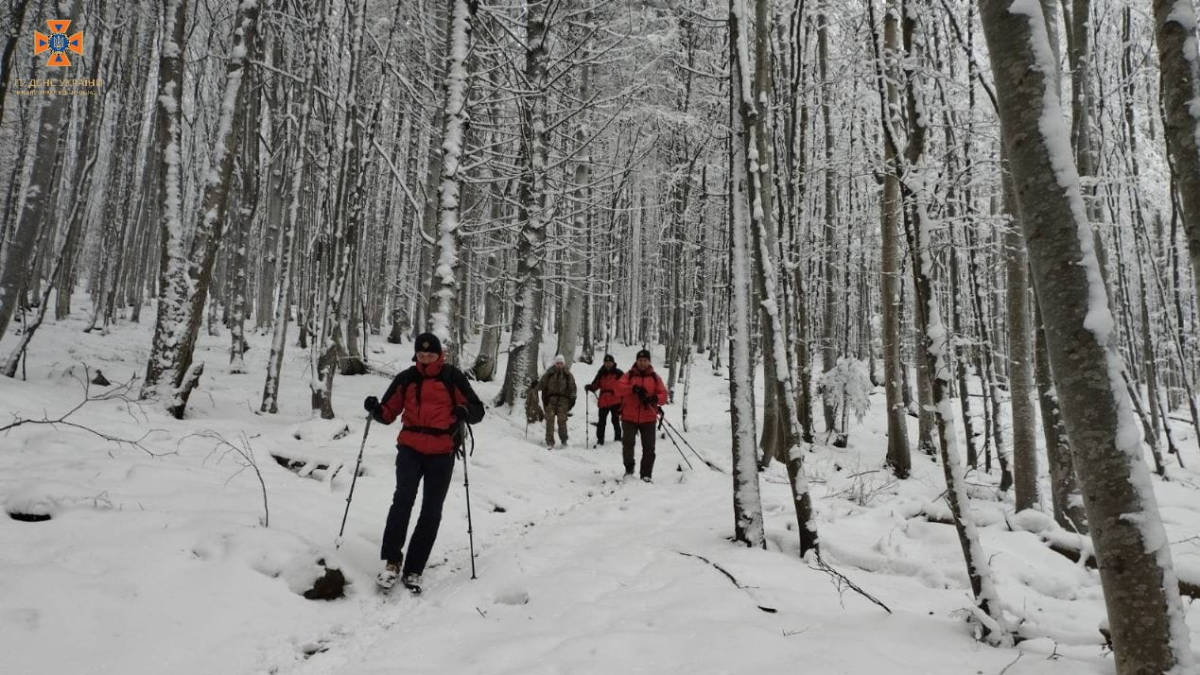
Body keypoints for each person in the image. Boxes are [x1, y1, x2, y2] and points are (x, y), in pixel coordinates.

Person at [364, 332, 484, 593]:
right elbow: (388, 413)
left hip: (442, 451)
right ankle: (392, 561)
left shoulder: (452, 377)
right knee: (402, 501)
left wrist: (465, 411)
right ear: (415, 355)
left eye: (430, 355)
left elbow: (477, 410)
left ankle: (415, 568)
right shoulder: (406, 378)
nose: (426, 359)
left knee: (431, 509)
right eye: (421, 355)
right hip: (410, 449)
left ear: (440, 354)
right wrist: (375, 409)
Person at [615, 348, 668, 482]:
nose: (642, 363)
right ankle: (629, 469)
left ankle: (646, 474)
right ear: (636, 361)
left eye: (645, 360)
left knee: (649, 447)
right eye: (640, 360)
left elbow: (664, 395)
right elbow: (618, 389)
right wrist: (632, 388)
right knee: (627, 445)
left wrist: (654, 398)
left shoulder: (655, 377)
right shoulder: (629, 375)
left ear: (649, 362)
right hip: (629, 416)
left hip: (649, 417)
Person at [537, 354, 576, 448]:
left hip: (563, 401)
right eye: (558, 363)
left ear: (563, 364)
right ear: (555, 363)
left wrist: (572, 399)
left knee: (562, 420)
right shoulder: (549, 373)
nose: (559, 365)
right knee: (549, 420)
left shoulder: (568, 374)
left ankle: (564, 440)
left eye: (561, 363)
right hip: (550, 399)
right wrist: (535, 386)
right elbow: (542, 384)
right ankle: (550, 441)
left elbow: (572, 387)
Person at [583, 353, 623, 445]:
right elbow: (595, 385)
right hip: (603, 401)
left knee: (615, 420)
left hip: (615, 400)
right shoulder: (601, 373)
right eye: (606, 362)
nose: (608, 364)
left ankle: (618, 438)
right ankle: (600, 439)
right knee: (601, 421)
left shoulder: (619, 373)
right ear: (604, 363)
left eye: (610, 362)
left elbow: (625, 385)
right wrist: (590, 387)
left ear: (613, 363)